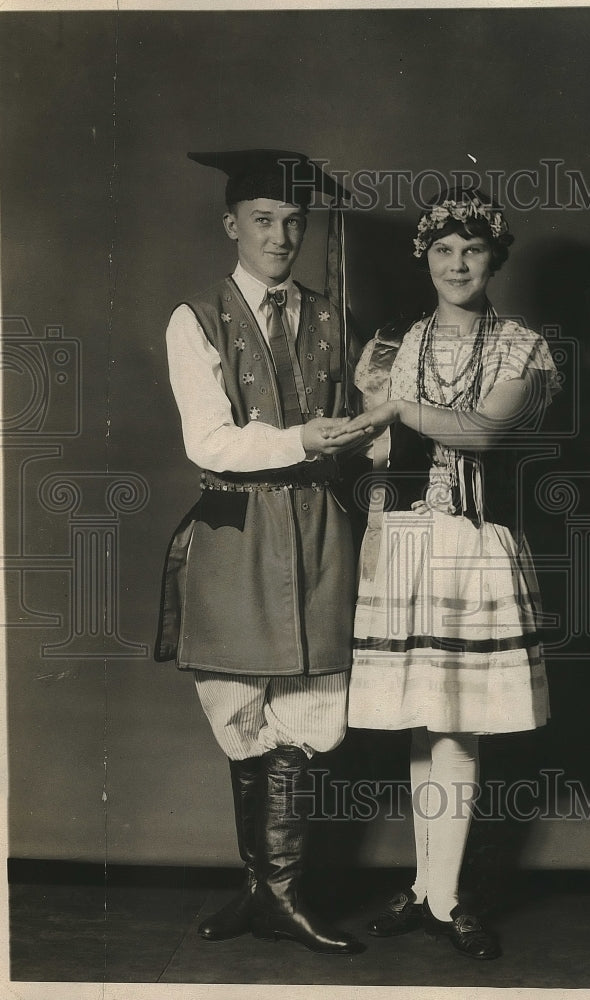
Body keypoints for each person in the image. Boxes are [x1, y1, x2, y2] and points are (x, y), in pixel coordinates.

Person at [327, 187, 560, 959]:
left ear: (495, 257)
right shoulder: (397, 343)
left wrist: (392, 407)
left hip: (474, 544)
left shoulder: (522, 346)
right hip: (403, 540)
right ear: (424, 258)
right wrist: (368, 404)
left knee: (456, 719)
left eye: (473, 250)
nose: (457, 264)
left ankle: (448, 895)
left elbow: (483, 433)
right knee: (426, 719)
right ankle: (431, 893)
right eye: (443, 250)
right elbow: (385, 457)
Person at [155, 149, 367, 955]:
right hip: (237, 528)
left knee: (311, 706)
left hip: (316, 525)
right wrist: (303, 438)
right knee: (241, 707)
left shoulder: (329, 316)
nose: (281, 236)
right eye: (263, 221)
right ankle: (265, 889)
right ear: (231, 224)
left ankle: (277, 893)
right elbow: (207, 439)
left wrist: (365, 435)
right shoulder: (196, 318)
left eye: (293, 222)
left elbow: (347, 431)